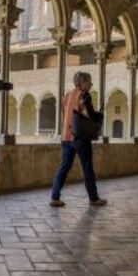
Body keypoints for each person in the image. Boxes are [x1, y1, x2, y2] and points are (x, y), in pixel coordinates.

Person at [50, 71, 108, 207]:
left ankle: (55, 197)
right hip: (80, 137)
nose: (91, 84)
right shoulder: (85, 96)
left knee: (64, 167)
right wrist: (99, 116)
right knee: (87, 167)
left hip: (66, 137)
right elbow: (90, 115)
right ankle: (93, 198)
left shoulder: (67, 96)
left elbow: (67, 115)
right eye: (89, 81)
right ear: (82, 83)